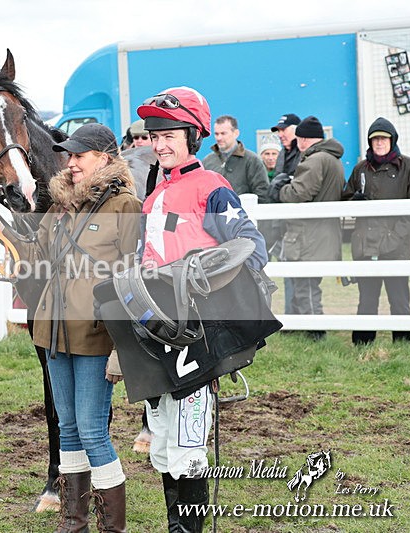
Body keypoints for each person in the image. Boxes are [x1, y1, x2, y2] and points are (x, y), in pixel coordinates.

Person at [136, 87, 268, 533]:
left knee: (189, 444)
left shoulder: (212, 186)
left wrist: (208, 285)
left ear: (193, 136)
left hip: (196, 336)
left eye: (170, 134)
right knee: (162, 444)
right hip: (156, 334)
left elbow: (250, 246)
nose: (160, 145)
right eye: (155, 137)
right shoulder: (152, 199)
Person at [0, 123, 140, 531]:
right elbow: (34, 255)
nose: (71, 162)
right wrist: (2, 224)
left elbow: (132, 277)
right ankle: (73, 522)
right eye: (69, 155)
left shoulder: (124, 207)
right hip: (52, 331)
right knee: (69, 428)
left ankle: (111, 526)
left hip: (97, 337)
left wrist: (122, 346)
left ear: (105, 159)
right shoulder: (60, 205)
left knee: (94, 430)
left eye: (79, 155)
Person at [269, 116, 344, 340]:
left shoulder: (314, 160)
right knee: (308, 285)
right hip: (322, 233)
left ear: (302, 139)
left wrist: (279, 190)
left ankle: (315, 332)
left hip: (308, 235)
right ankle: (311, 329)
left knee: (306, 287)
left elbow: (298, 194)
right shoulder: (332, 159)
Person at [342, 117, 410, 345]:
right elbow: (344, 199)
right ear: (370, 142)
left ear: (392, 140)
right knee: (367, 298)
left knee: (399, 298)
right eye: (375, 139)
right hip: (366, 244)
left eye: (383, 138)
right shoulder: (361, 168)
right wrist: (355, 200)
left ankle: (402, 343)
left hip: (397, 246)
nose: (379, 143)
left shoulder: (408, 167)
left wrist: (395, 236)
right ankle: (362, 343)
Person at [269, 113, 302, 315]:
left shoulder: (303, 153)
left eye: (284, 129)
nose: (281, 134)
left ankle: (307, 320)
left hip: (299, 223)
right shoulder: (283, 153)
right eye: (279, 130)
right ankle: (292, 316)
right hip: (282, 223)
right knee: (288, 271)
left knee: (303, 276)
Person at [201, 115, 270, 202]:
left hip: (244, 214)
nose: (219, 138)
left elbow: (263, 193)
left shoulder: (252, 160)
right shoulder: (207, 161)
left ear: (236, 133)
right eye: (216, 134)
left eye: (223, 133)